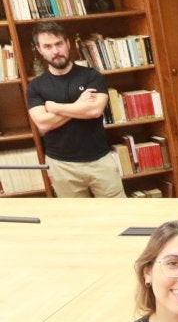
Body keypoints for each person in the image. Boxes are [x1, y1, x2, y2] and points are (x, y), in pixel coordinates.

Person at [25, 20, 124, 197]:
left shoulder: (91, 76)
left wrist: (55, 108)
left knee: (118, 211)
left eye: (59, 44)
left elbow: (94, 111)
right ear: (39, 50)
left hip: (100, 161)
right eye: (47, 46)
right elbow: (43, 124)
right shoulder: (36, 86)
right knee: (75, 214)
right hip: (61, 165)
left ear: (68, 43)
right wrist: (79, 106)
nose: (55, 51)